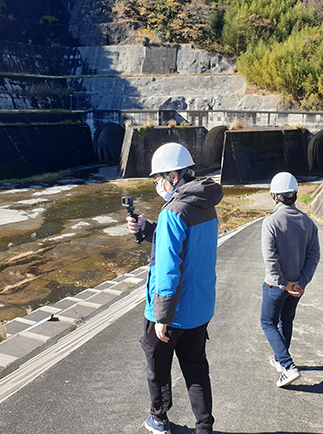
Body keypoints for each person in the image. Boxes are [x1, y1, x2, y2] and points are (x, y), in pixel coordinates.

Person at [126, 142, 223, 434]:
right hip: (200, 307)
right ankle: (204, 427)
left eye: (159, 179)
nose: (158, 185)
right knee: (195, 368)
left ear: (174, 176)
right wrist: (149, 229)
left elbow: (169, 268)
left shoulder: (173, 212)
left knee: (158, 366)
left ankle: (159, 418)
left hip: (172, 311)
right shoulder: (205, 205)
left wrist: (162, 316)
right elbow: (188, 248)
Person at [261, 172, 320, 387]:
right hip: (296, 286)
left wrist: (282, 283)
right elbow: (314, 255)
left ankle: (287, 365)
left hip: (276, 286)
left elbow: (271, 259)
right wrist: (301, 282)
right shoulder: (308, 223)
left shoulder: (271, 222)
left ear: (275, 196)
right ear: (295, 195)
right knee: (286, 320)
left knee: (267, 322)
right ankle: (279, 358)